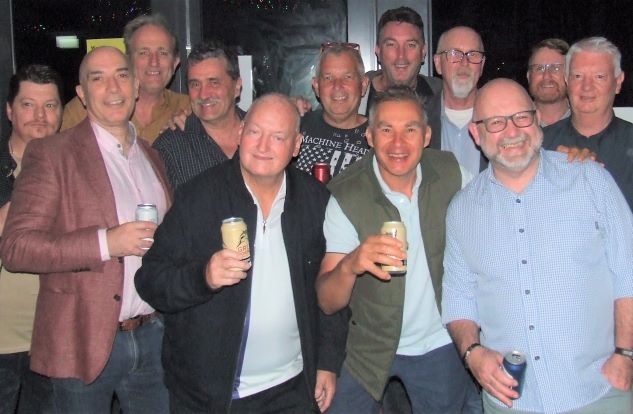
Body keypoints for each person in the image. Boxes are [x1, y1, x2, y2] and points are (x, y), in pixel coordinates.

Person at [136, 93, 347, 413]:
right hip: (211, 396)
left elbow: (330, 289)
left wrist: (328, 363)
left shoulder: (316, 201)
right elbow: (150, 279)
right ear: (240, 133)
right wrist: (202, 276)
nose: (263, 146)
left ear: (296, 145)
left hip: (292, 389)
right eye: (255, 132)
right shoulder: (199, 197)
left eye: (278, 137)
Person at [443, 78, 633, 413]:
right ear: (476, 134)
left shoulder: (591, 181)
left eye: (521, 117)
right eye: (496, 122)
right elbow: (459, 296)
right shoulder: (461, 210)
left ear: (538, 120)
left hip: (598, 393)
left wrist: (626, 355)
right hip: (511, 402)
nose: (512, 131)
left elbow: (628, 272)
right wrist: (473, 354)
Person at [0, 46, 171, 413]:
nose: (113, 87)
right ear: (81, 94)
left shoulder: (152, 156)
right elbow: (16, 248)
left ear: (137, 86)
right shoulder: (51, 154)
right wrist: (106, 242)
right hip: (80, 341)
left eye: (122, 75)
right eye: (98, 78)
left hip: (153, 336)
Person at [316, 86, 477, 413]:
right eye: (387, 130)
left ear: (427, 135)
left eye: (411, 129)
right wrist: (351, 264)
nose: (399, 143)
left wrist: (560, 160)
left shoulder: (451, 173)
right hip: (367, 345)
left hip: (439, 343)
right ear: (371, 136)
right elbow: (326, 301)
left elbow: (501, 200)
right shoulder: (347, 194)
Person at [0, 64, 62, 414]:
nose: (40, 115)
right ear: (9, 110)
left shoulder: (73, 167)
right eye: (28, 105)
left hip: (51, 339)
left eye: (50, 105)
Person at [61, 13, 190, 143]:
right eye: (143, 53)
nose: (154, 62)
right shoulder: (81, 111)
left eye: (162, 53)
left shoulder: (189, 110)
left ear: (175, 64)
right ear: (127, 61)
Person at [543, 36, 633, 212]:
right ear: (567, 81)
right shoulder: (541, 145)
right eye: (578, 76)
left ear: (618, 82)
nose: (587, 87)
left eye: (599, 77)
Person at [153, 40, 245, 191]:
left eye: (213, 83)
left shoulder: (264, 134)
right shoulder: (169, 148)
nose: (203, 94)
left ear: (237, 87)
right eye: (195, 84)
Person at [294, 42, 370, 177]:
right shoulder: (295, 127)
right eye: (328, 78)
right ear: (316, 86)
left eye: (347, 77)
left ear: (363, 85)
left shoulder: (381, 137)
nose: (337, 86)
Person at [430, 26, 487, 176]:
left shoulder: (503, 121)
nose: (464, 63)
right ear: (438, 64)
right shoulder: (417, 120)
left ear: (482, 65)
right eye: (454, 54)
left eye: (473, 54)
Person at [364, 6, 441, 115]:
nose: (401, 56)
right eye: (391, 44)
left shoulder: (442, 96)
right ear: (378, 51)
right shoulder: (354, 98)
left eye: (410, 45)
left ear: (423, 52)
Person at [527, 38, 570, 127]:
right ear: (528, 76)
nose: (546, 76)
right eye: (539, 68)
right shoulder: (515, 127)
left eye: (556, 68)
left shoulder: (589, 121)